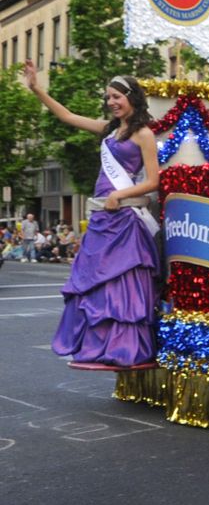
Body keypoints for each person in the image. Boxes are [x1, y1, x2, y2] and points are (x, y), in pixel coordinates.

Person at [24, 61, 160, 365]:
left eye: (117, 96)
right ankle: (100, 345)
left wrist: (120, 193)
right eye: (108, 97)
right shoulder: (109, 130)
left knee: (122, 284)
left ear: (132, 98)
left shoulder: (144, 134)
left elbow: (153, 181)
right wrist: (36, 89)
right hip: (101, 217)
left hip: (124, 219)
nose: (111, 102)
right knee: (97, 283)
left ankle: (124, 348)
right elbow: (67, 115)